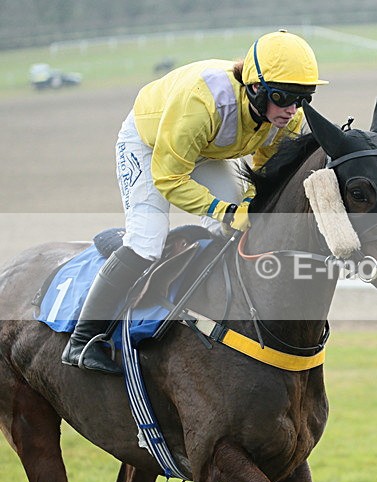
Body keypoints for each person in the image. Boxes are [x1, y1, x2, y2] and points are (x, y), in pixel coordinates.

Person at [62, 29, 328, 374]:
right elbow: (169, 178)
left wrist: (245, 204)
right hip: (152, 146)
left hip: (206, 147)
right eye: (283, 97)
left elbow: (263, 171)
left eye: (302, 99)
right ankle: (83, 340)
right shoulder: (201, 102)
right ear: (256, 89)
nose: (292, 110)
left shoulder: (285, 115)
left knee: (229, 230)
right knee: (147, 240)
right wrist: (226, 209)